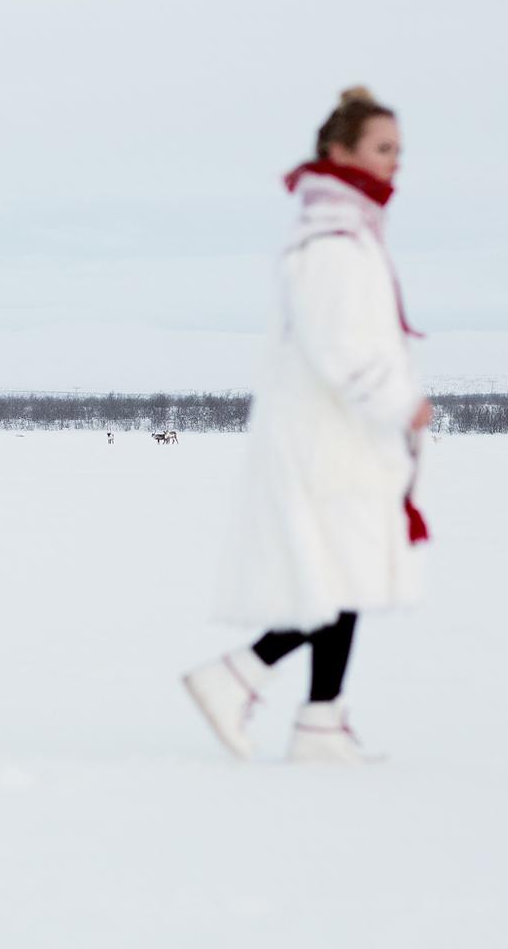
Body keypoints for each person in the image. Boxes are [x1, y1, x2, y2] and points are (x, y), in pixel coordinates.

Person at [181, 86, 434, 765]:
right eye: (383, 150)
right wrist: (396, 400)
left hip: (345, 433)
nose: (394, 165)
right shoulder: (331, 242)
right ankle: (235, 676)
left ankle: (320, 722)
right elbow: (339, 347)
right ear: (339, 151)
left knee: (343, 571)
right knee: (338, 572)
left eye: (399, 152)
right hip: (330, 436)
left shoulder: (349, 234)